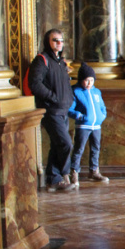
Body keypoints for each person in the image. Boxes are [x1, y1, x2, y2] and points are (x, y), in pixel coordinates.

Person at [29, 28, 76, 192]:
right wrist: (53, 97)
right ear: (48, 42)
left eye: (61, 40)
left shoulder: (61, 62)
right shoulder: (42, 60)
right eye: (55, 40)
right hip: (51, 109)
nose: (59, 43)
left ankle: (53, 179)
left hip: (63, 109)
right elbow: (35, 84)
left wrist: (68, 99)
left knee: (58, 144)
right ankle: (60, 174)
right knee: (65, 144)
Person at [67, 63, 109, 186]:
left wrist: (102, 116)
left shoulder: (96, 92)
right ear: (81, 80)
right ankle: (74, 172)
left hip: (96, 125)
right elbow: (70, 109)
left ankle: (94, 171)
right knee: (79, 149)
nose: (89, 83)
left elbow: (102, 106)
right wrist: (80, 116)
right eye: (86, 80)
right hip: (83, 126)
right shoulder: (75, 91)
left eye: (91, 80)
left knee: (95, 148)